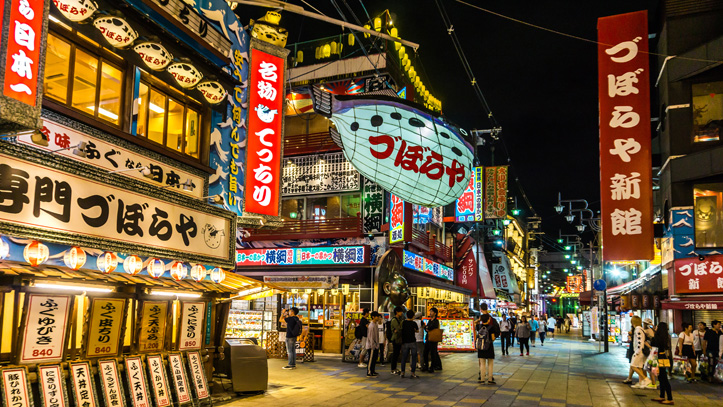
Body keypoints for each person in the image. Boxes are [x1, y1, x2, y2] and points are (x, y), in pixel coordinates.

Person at [651, 322, 674, 405]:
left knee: (663, 378)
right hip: (664, 357)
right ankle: (662, 396)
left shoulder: (658, 337)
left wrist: (654, 333)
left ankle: (670, 398)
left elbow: (653, 344)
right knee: (661, 377)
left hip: (659, 358)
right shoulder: (667, 336)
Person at [630, 316, 650, 388]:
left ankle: (645, 379)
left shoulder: (638, 330)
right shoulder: (641, 329)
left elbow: (640, 341)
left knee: (633, 366)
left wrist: (637, 351)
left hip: (639, 351)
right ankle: (641, 382)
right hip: (641, 351)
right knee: (639, 367)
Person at [477, 313, 497, 384]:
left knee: (482, 363)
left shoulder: (479, 326)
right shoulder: (491, 327)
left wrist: (478, 320)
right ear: (488, 319)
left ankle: (482, 379)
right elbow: (493, 338)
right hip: (489, 347)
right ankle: (490, 379)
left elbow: (473, 323)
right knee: (490, 363)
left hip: (481, 347)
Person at [400, 310, 419, 378]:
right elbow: (417, 330)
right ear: (413, 316)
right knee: (414, 358)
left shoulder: (404, 323)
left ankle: (402, 372)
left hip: (405, 342)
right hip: (413, 342)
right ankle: (412, 373)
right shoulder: (414, 323)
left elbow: (401, 331)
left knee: (404, 358)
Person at [422, 307, 442, 373]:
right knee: (425, 352)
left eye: (431, 312)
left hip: (433, 339)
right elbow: (426, 328)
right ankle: (426, 365)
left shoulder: (436, 321)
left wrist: (427, 328)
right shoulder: (430, 321)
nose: (430, 313)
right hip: (428, 338)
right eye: (430, 311)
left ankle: (432, 366)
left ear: (435, 313)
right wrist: (427, 328)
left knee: (433, 353)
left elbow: (431, 327)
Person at [643, 318, 658, 389]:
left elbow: (650, 341)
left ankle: (653, 382)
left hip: (650, 351)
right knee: (651, 366)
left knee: (649, 366)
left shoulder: (649, 331)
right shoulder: (652, 330)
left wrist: (649, 347)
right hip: (652, 350)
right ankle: (655, 381)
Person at [366, 312, 382, 377]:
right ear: (373, 317)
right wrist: (373, 346)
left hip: (375, 345)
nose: (378, 318)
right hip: (371, 346)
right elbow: (371, 337)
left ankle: (372, 371)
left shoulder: (375, 324)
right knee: (371, 359)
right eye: (377, 316)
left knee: (374, 359)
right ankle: (369, 371)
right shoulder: (371, 325)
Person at [390, 307, 404, 375]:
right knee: (395, 354)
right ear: (397, 312)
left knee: (397, 353)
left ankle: (394, 368)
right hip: (395, 339)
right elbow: (398, 329)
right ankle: (393, 369)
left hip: (399, 339)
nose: (401, 313)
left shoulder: (399, 319)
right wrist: (400, 329)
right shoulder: (394, 320)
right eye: (400, 311)